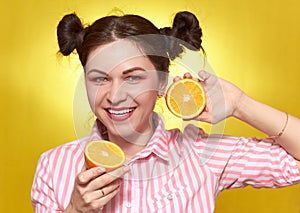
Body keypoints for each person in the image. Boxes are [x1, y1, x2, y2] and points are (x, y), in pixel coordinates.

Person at [31, 11, 300, 213]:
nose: (114, 96)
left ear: (161, 82)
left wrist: (241, 105)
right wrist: (75, 210)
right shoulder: (54, 166)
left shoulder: (201, 154)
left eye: (132, 77)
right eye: (100, 78)